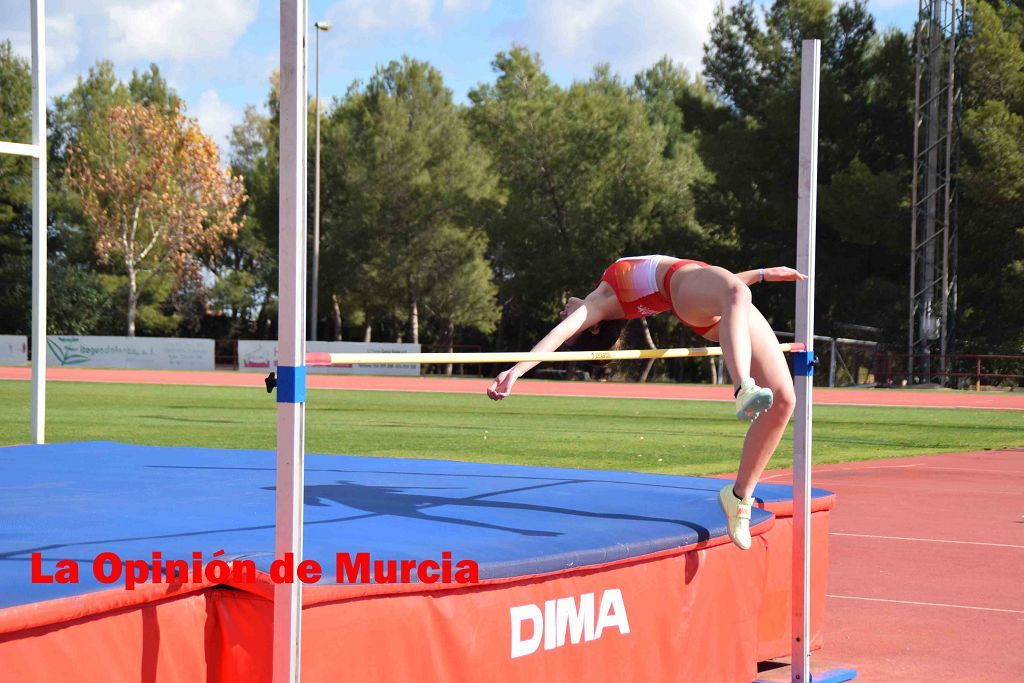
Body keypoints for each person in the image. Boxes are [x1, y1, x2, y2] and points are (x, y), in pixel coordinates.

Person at [485, 255, 807, 550]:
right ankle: (742, 390)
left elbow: (715, 284)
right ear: (592, 325)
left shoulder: (620, 297)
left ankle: (738, 497)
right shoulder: (599, 301)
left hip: (715, 306)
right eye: (572, 321)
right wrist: (516, 371)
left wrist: (763, 274)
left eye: (563, 313)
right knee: (737, 292)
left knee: (783, 400)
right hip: (691, 291)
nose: (563, 312)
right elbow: (558, 334)